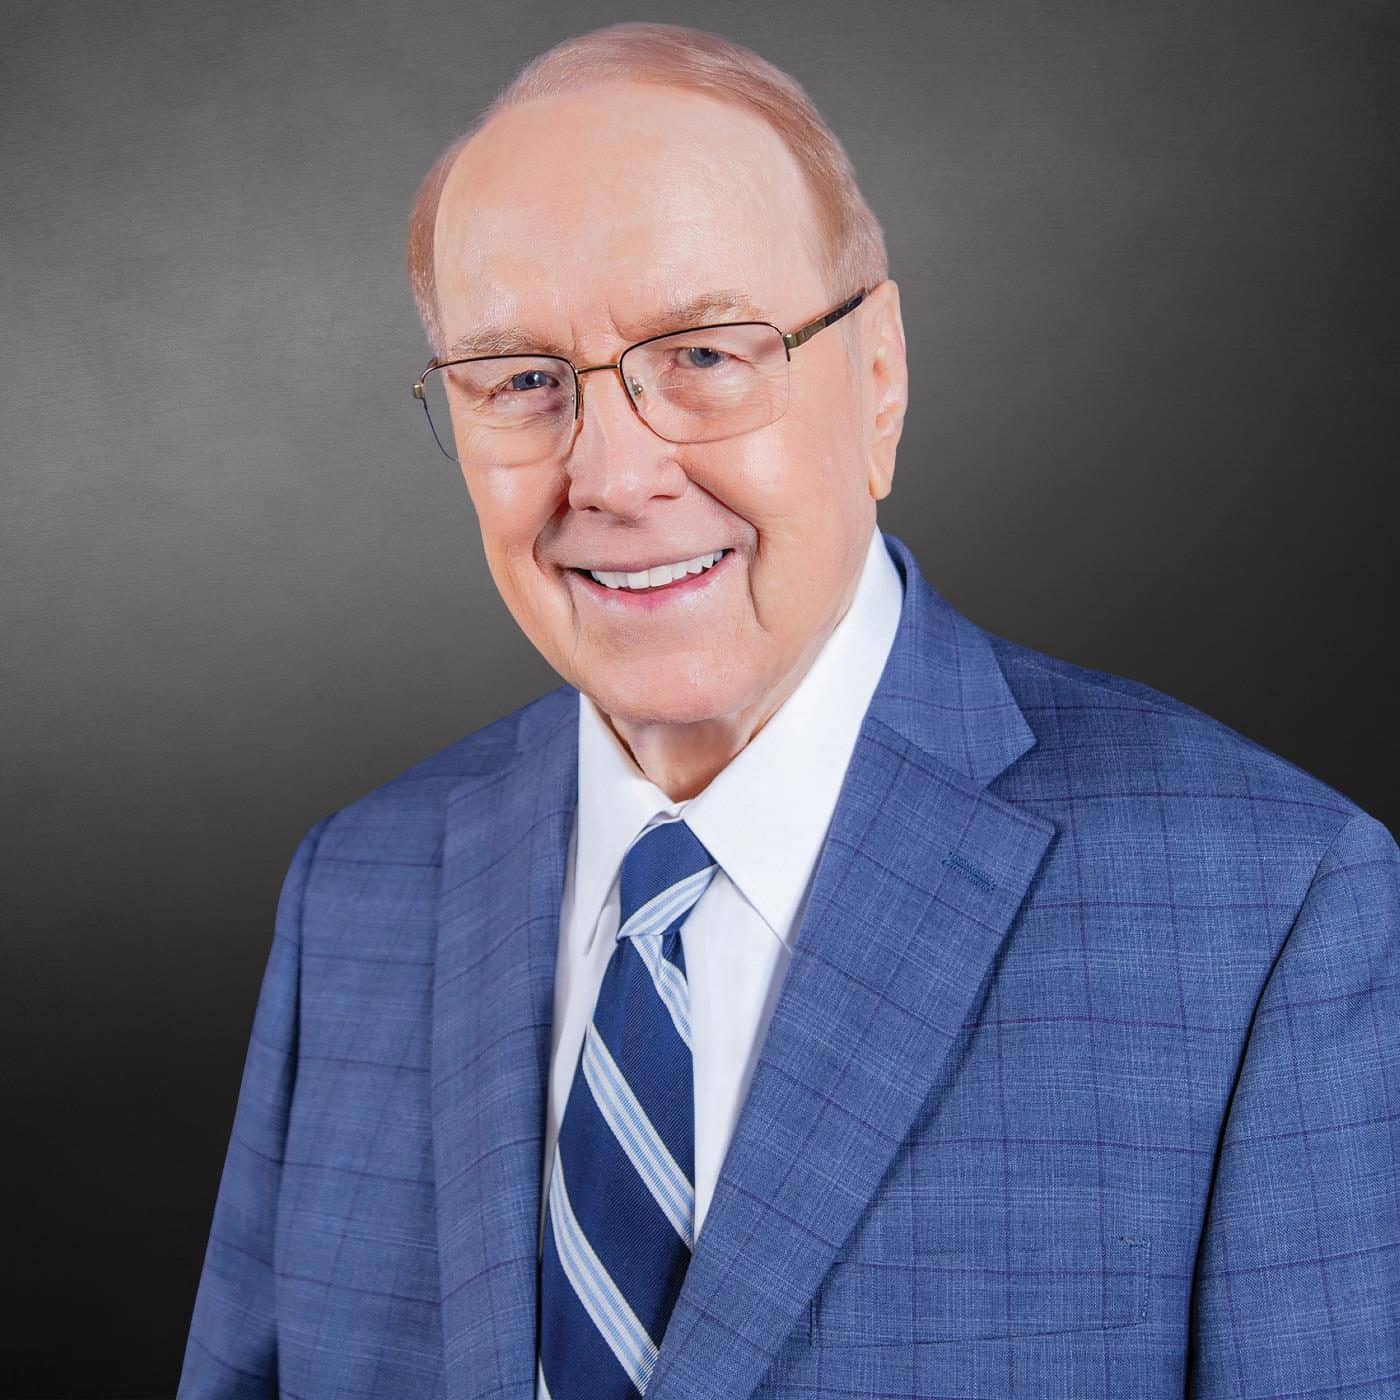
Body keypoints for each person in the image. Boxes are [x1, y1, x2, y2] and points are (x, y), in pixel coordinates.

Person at [178, 21, 1399, 1400]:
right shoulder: (358, 891)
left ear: (878, 378)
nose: (614, 476)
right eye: (521, 381)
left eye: (703, 354)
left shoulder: (1269, 913)